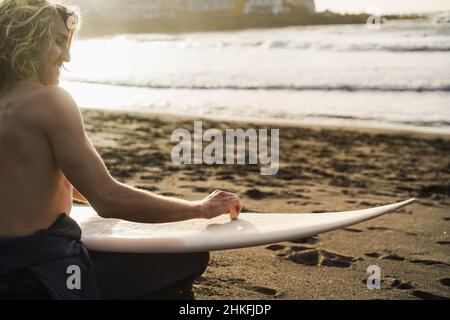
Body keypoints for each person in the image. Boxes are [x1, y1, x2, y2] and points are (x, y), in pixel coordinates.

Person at [0, 0, 242, 300]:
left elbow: (22, 180)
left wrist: (78, 188)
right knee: (189, 257)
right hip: (42, 281)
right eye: (58, 41)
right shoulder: (51, 102)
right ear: (26, 40)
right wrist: (199, 209)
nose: (67, 55)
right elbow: (110, 200)